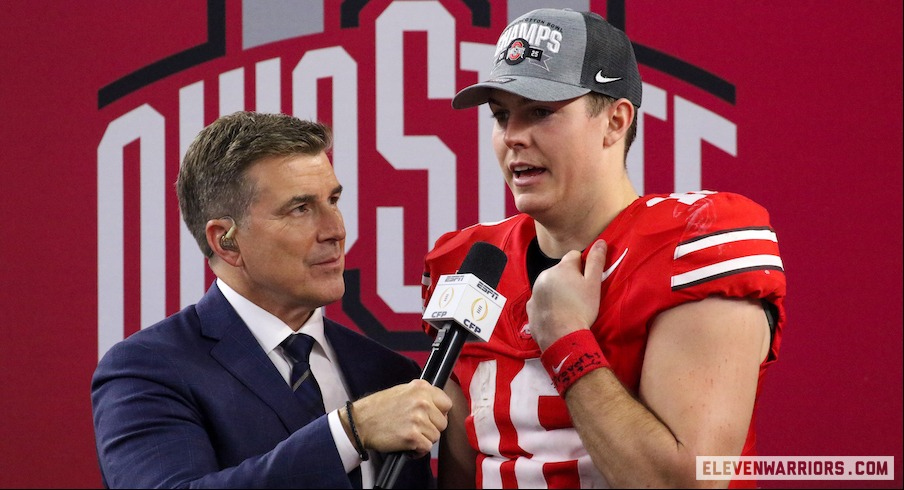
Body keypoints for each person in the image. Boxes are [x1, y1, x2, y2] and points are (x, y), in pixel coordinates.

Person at [422, 8, 786, 489]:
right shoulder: (468, 261)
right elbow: (463, 473)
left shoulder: (695, 242)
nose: (513, 136)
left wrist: (565, 339)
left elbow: (686, 484)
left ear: (615, 120)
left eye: (541, 111)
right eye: (502, 115)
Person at [91, 111, 451, 489]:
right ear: (225, 241)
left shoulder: (387, 373)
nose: (337, 230)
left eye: (333, 200)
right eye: (300, 208)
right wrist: (349, 431)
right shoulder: (147, 369)